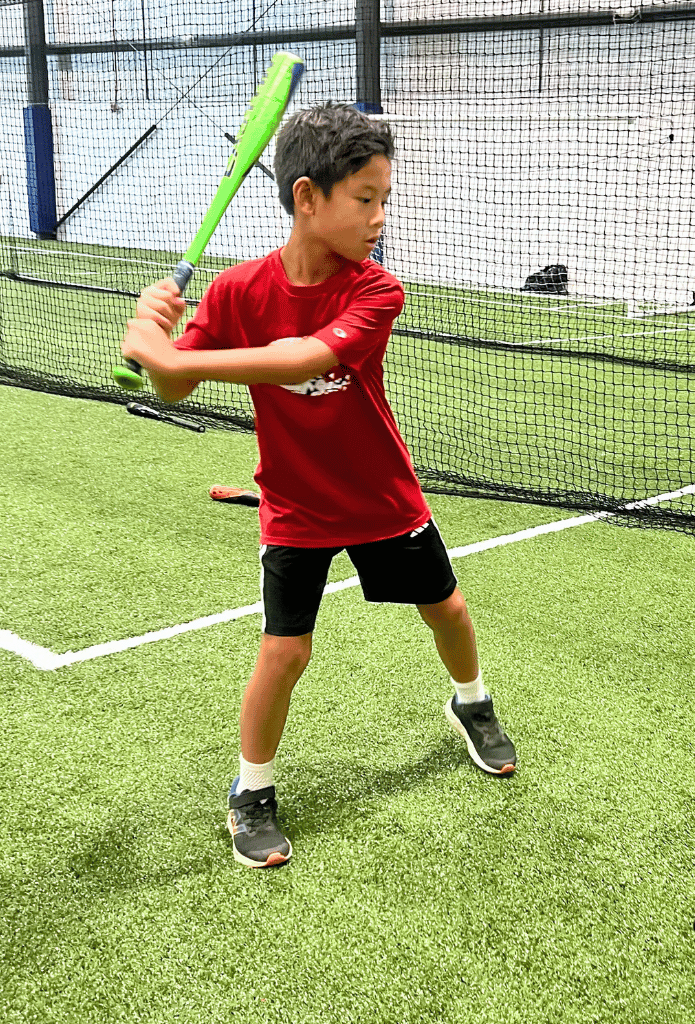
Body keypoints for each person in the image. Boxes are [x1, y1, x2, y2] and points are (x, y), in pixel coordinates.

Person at [122, 102, 517, 869]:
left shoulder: (376, 292)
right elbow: (171, 391)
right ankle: (251, 789)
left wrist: (176, 358)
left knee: (449, 609)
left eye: (383, 202)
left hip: (380, 496)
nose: (378, 217)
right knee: (284, 652)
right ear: (308, 198)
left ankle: (472, 703)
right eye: (364, 200)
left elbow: (305, 359)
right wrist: (154, 330)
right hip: (295, 505)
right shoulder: (237, 292)